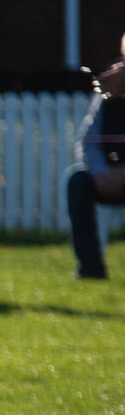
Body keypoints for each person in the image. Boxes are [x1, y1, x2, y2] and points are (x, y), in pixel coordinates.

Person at [66, 36, 125, 279]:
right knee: (77, 180)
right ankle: (90, 267)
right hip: (108, 176)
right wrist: (101, 172)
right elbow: (88, 139)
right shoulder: (107, 94)